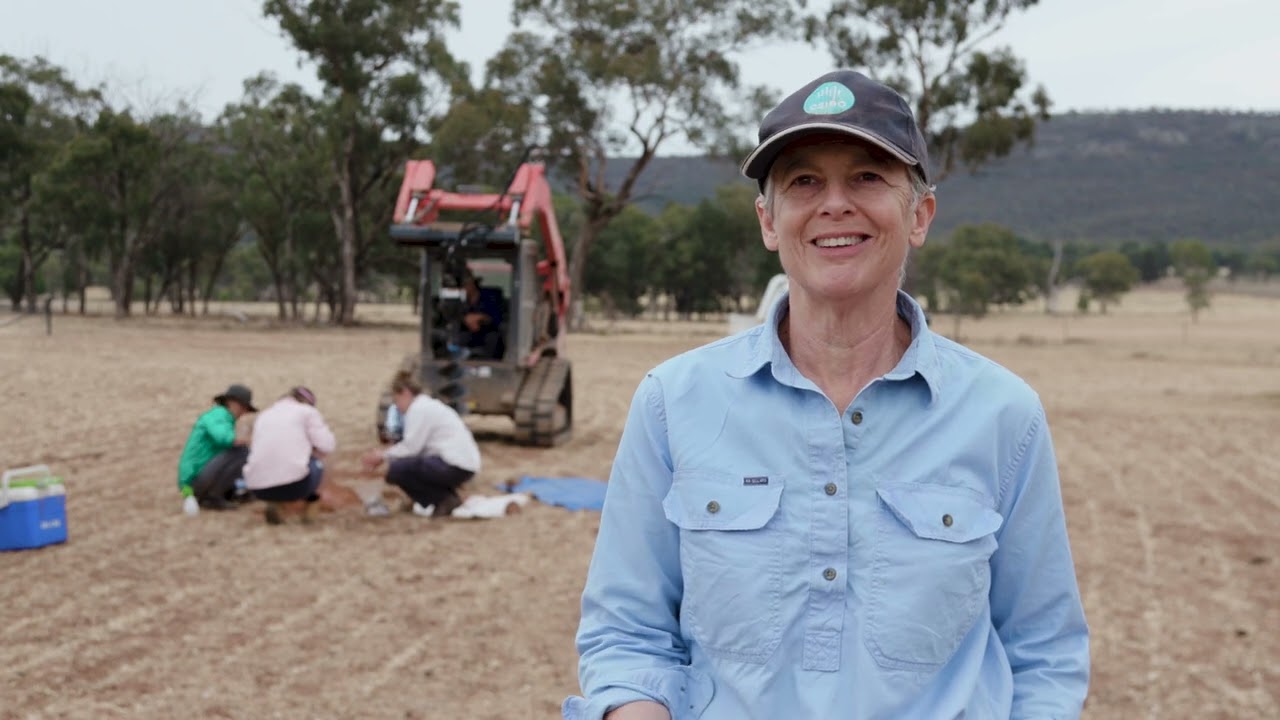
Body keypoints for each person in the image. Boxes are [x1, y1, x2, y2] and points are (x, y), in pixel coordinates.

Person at [565, 70, 1090, 720]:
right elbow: (628, 635)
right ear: (769, 220)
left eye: (868, 177)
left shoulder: (1003, 414)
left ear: (919, 214)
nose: (834, 204)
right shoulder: (673, 401)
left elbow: (1044, 651)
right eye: (803, 181)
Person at [361, 369, 481, 518]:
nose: (397, 407)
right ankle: (446, 498)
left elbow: (411, 448)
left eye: (397, 400)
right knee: (409, 466)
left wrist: (382, 456)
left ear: (405, 393)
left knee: (397, 470)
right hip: (462, 464)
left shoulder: (418, 409)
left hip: (454, 465)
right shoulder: (427, 406)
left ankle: (442, 499)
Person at [242, 386, 336, 525]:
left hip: (258, 489)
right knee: (317, 463)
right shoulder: (307, 412)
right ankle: (310, 509)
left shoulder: (264, 415)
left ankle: (275, 504)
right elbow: (327, 445)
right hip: (296, 486)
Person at [176, 383, 257, 514]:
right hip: (194, 481)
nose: (244, 412)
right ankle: (212, 496)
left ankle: (232, 491)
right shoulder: (218, 415)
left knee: (240, 453)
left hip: (193, 482)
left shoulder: (221, 417)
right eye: (242, 406)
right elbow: (225, 438)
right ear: (230, 402)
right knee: (241, 452)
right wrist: (251, 441)